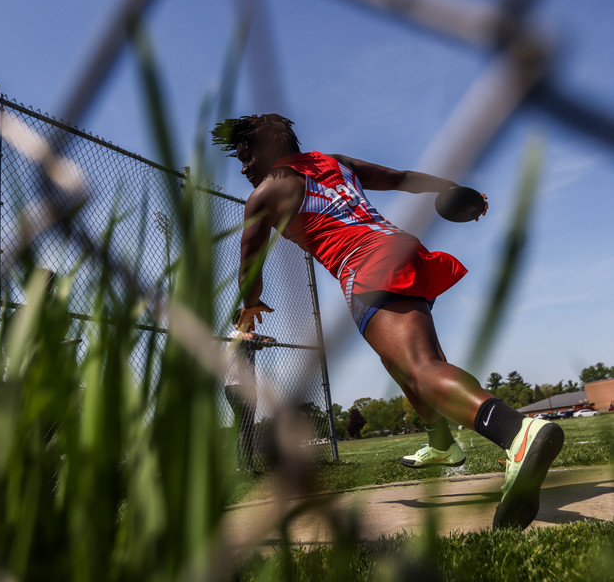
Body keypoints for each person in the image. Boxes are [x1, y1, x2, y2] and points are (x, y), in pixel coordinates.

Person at [211, 113, 564, 530]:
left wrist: (249, 308)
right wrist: (447, 188)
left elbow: (250, 268)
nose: (243, 166)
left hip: (366, 267)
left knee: (421, 367)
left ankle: (516, 432)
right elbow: (398, 178)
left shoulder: (266, 194)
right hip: (398, 249)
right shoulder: (332, 160)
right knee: (400, 363)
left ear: (270, 144)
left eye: (246, 154)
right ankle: (441, 443)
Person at [223, 309, 275, 472]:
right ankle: (241, 467)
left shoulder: (250, 336)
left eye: (250, 320)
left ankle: (248, 465)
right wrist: (258, 340)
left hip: (250, 387)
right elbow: (253, 339)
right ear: (236, 323)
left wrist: (260, 341)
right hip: (235, 386)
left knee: (247, 427)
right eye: (245, 320)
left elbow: (272, 340)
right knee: (242, 425)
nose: (249, 323)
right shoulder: (233, 334)